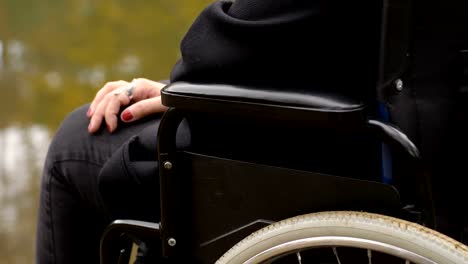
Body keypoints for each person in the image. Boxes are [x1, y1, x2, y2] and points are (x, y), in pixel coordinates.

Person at [36, 0, 468, 263]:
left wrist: (187, 87)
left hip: (337, 163)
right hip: (439, 148)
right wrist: (178, 91)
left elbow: (235, 46)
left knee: (76, 141)